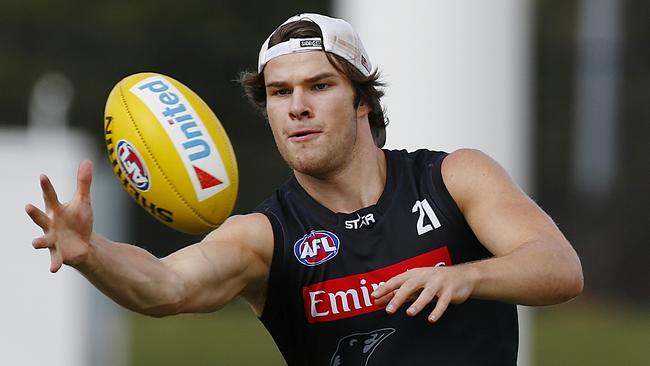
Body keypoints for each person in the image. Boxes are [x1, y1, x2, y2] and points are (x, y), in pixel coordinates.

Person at [26, 13, 583, 366]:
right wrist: (90, 254)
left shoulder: (453, 178)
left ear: (363, 100)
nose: (297, 107)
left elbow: (558, 267)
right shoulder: (264, 238)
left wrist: (466, 276)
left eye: (320, 85)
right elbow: (166, 286)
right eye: (279, 92)